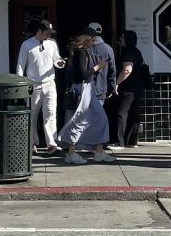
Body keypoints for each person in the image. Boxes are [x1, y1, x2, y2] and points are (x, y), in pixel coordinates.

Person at [57, 33, 116, 164]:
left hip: (87, 89)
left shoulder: (81, 52)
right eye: (92, 40)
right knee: (79, 121)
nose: (94, 43)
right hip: (83, 90)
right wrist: (97, 67)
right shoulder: (81, 53)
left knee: (99, 119)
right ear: (86, 41)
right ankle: (72, 152)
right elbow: (82, 74)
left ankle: (99, 151)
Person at [15, 19, 66, 155]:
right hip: (33, 84)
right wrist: (21, 85)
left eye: (50, 32)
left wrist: (60, 63)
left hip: (50, 83)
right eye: (47, 32)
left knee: (50, 113)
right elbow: (21, 65)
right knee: (32, 115)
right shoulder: (27, 45)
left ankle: (52, 143)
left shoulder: (52, 44)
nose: (49, 35)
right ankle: (31, 143)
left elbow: (56, 58)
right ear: (39, 31)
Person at [115, 30, 146, 147]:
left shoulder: (127, 53)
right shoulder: (137, 52)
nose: (120, 39)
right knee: (134, 113)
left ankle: (120, 142)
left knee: (122, 113)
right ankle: (132, 141)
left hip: (128, 87)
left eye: (122, 37)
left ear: (127, 39)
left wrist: (116, 83)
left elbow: (127, 70)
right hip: (138, 87)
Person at [85, 22, 117, 103]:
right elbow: (112, 70)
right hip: (101, 90)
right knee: (98, 115)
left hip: (85, 89)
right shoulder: (108, 49)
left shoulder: (84, 47)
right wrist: (111, 88)